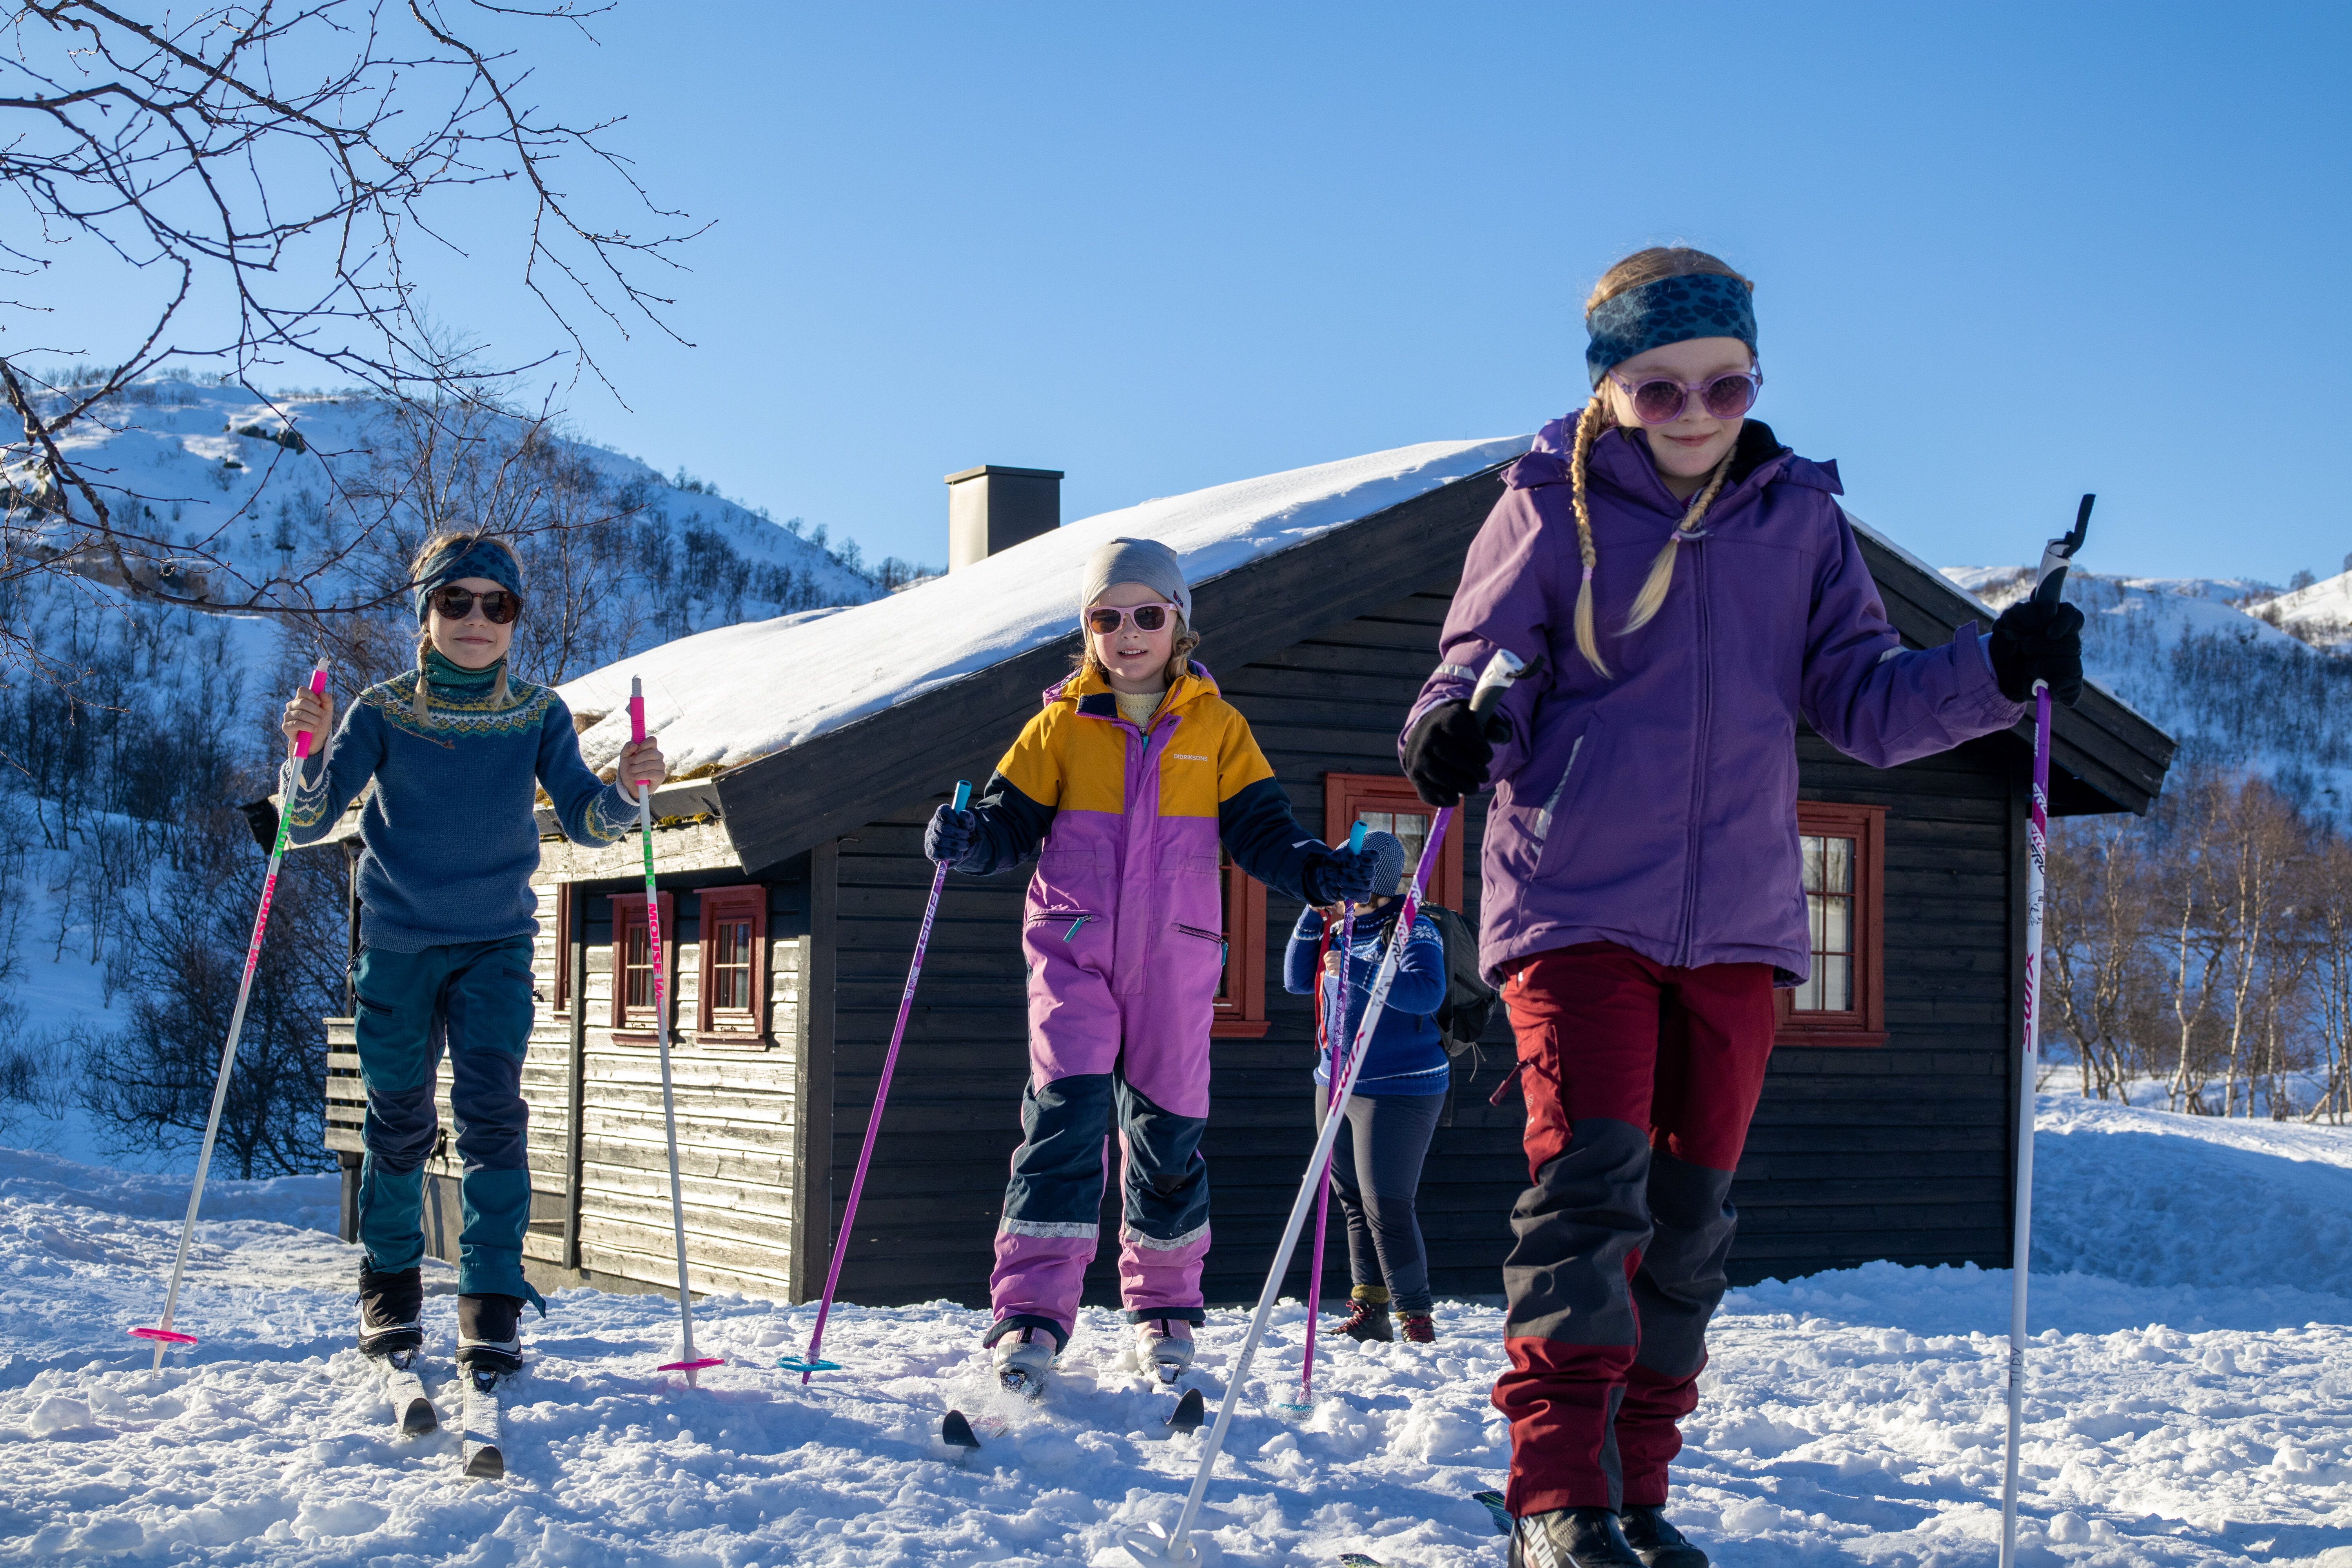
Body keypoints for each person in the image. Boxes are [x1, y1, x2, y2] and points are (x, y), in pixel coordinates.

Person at [1397, 247, 2083, 1568]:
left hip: (1745, 925)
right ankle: (1557, 1496)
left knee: (1691, 1219)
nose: (1698, 414)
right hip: (1574, 904)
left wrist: (1997, 669)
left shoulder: (1801, 522)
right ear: (1610, 393)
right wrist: (1450, 730)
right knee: (1590, 1195)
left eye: (1725, 384)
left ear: (1755, 381)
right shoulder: (1546, 510)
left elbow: (1866, 704)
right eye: (1661, 392)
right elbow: (1479, 667)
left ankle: (1636, 1491)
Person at [924, 536, 1383, 1390]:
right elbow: (1003, 825)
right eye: (1107, 616)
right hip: (1074, 951)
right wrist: (967, 837)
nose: (1128, 632)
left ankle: (1164, 1310)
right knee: (1063, 1122)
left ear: (1180, 623)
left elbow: (1264, 833)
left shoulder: (1217, 728)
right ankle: (1029, 1314)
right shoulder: (1060, 725)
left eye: (1147, 613)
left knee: (1168, 1136)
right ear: (1087, 629)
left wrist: (1323, 872)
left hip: (1176, 960)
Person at [281, 532, 665, 1376]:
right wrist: (301, 755)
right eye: (457, 601)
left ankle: (491, 1298)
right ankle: (389, 1285)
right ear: (425, 613)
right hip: (397, 943)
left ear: (515, 618)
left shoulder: (538, 713)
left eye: (499, 604)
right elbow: (305, 822)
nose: (477, 619)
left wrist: (631, 790)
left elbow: (590, 820)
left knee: (492, 1117)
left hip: (496, 942)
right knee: (400, 1122)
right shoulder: (383, 710)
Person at [1281, 829, 1451, 1345]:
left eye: (1351, 879)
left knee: (1388, 1204)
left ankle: (1415, 1318)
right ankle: (1370, 1309)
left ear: (1372, 882)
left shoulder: (1412, 927)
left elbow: (1427, 993)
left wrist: (1360, 969)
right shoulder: (1336, 924)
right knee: (1352, 1198)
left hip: (1399, 1085)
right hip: (1335, 1079)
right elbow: (1294, 978)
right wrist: (1313, 912)